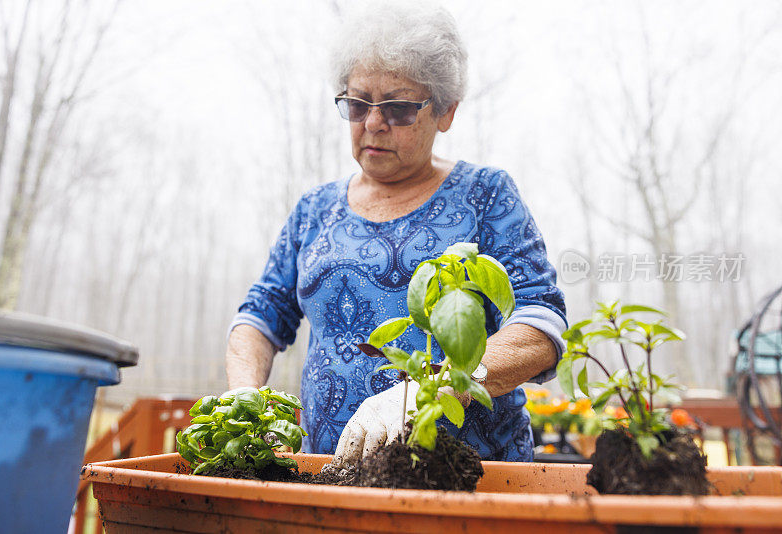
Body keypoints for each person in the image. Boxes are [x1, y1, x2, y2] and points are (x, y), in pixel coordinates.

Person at [225, 1, 566, 466]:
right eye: (357, 103)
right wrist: (245, 400)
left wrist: (438, 389)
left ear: (446, 112)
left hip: (470, 479)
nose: (373, 123)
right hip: (331, 478)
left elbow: (540, 323)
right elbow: (260, 316)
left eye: (399, 108)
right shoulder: (314, 210)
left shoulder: (485, 196)